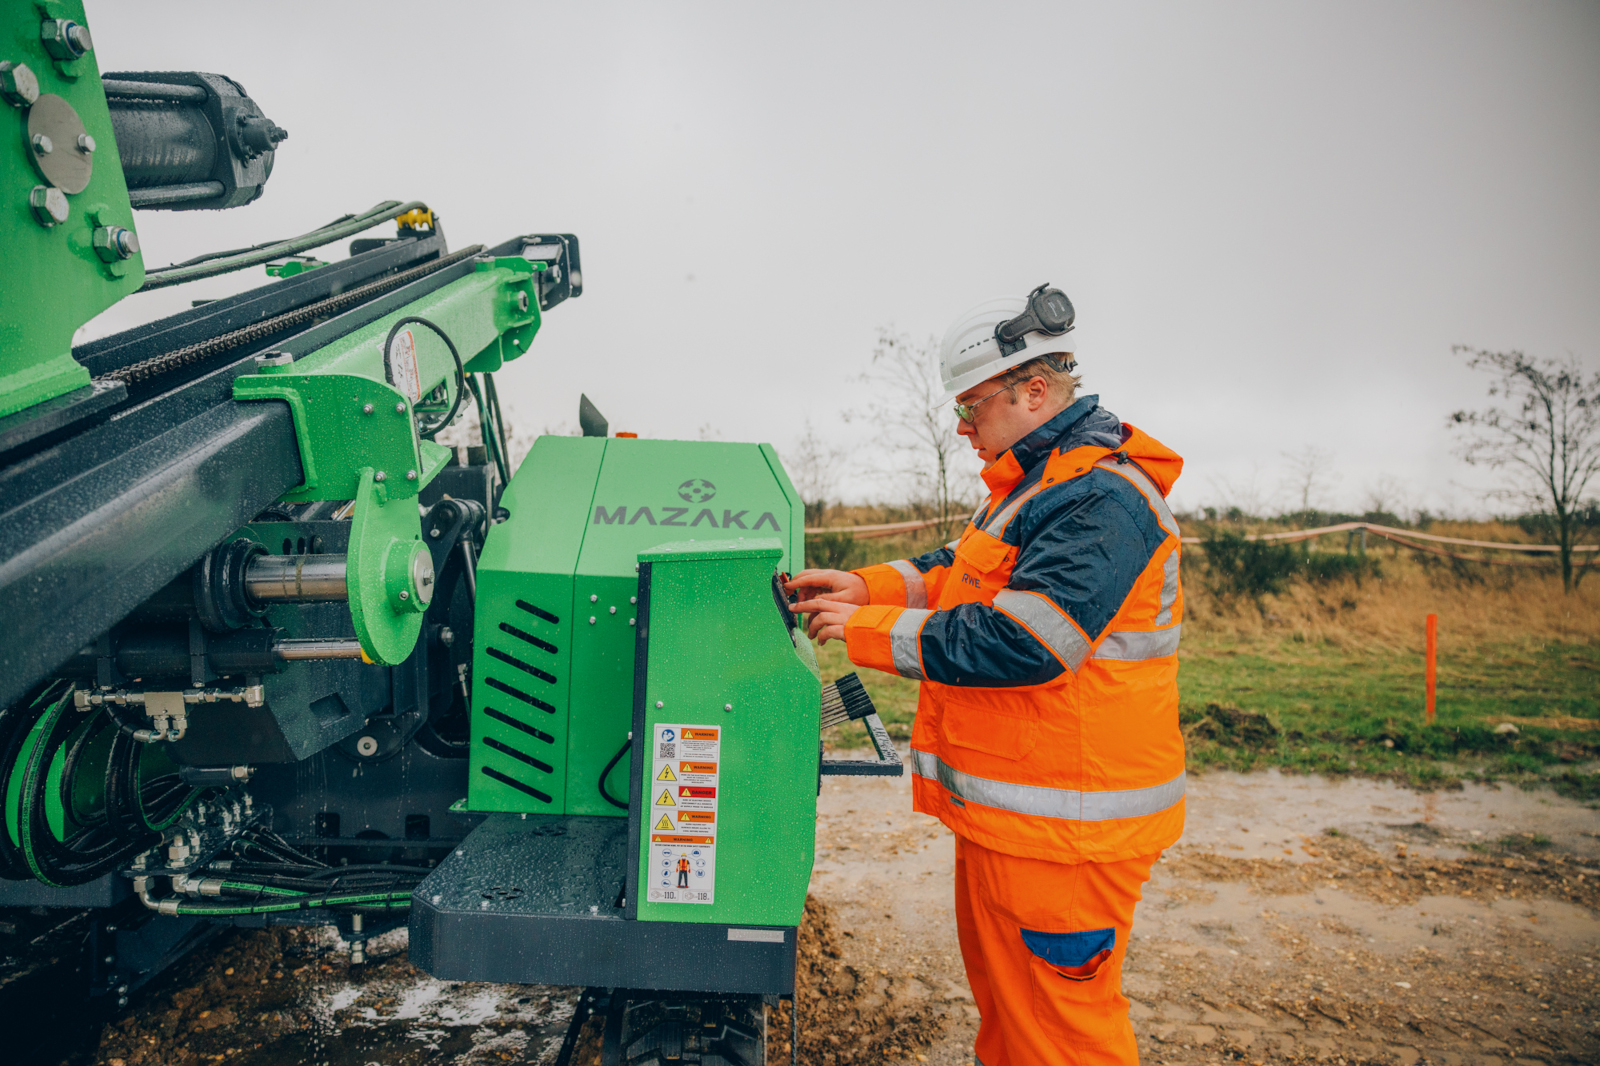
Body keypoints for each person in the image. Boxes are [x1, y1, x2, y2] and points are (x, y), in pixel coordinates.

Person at [788, 285, 1185, 1066]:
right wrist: (865, 587)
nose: (962, 427)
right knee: (1013, 1020)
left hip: (1066, 832)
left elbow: (1022, 641)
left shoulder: (1101, 497)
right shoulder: (1038, 482)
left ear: (1032, 391)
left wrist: (865, 629)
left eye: (971, 407)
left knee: (1060, 1037)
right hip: (1022, 820)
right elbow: (962, 572)